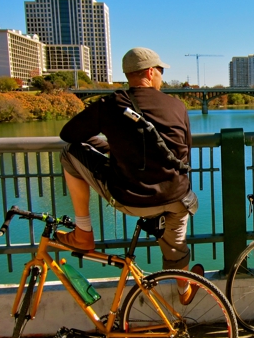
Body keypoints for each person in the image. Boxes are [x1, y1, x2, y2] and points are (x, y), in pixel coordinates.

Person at [56, 47, 202, 305]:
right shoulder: (177, 106)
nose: (162, 76)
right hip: (178, 197)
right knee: (176, 243)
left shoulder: (110, 105)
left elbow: (69, 135)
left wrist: (113, 146)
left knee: (69, 153)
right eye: (161, 71)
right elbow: (184, 153)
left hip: (132, 200)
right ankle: (184, 289)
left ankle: (83, 232)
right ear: (149, 72)